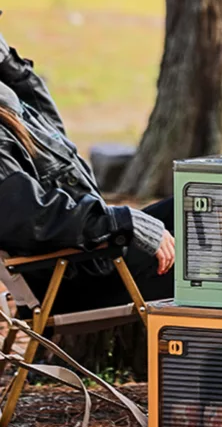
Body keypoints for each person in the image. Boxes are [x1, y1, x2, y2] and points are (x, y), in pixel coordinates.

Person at [0, 26, 175, 314]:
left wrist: (9, 62)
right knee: (200, 261)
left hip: (90, 256)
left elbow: (56, 138)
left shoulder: (10, 106)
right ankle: (213, 355)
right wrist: (120, 221)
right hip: (77, 277)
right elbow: (34, 218)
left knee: (195, 211)